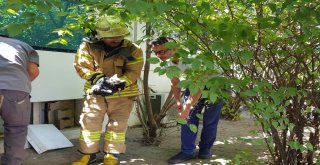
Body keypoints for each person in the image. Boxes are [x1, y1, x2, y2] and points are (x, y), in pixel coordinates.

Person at [72, 15, 144, 165]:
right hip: (96, 92)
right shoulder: (87, 46)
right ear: (101, 36)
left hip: (123, 94)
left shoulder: (133, 49)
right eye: (112, 36)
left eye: (119, 36)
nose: (116, 39)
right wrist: (99, 79)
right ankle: (88, 155)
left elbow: (134, 71)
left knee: (117, 124)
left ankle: (111, 155)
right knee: (89, 123)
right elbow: (82, 66)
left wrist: (120, 82)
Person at [150, 37, 224, 164]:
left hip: (216, 86)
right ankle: (187, 151)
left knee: (209, 120)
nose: (158, 55)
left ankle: (205, 150)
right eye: (155, 52)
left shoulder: (192, 58)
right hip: (194, 85)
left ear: (174, 48)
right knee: (188, 119)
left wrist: (187, 108)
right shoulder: (168, 62)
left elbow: (200, 86)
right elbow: (175, 82)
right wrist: (178, 101)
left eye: (161, 51)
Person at [0, 35, 40, 165]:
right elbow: (34, 72)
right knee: (16, 130)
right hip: (16, 90)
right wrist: (18, 85)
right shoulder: (23, 46)